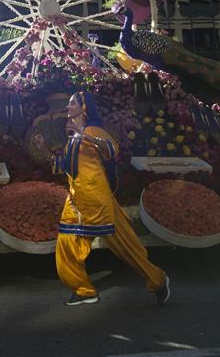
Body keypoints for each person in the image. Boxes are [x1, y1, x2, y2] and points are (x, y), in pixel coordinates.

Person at [34, 91, 170, 306]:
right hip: (76, 200)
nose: (67, 108)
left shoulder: (93, 130)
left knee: (124, 245)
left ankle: (158, 279)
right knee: (66, 245)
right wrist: (43, 149)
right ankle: (84, 290)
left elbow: (111, 150)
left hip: (98, 200)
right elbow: (64, 167)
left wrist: (84, 134)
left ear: (84, 107)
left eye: (71, 104)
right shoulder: (71, 138)